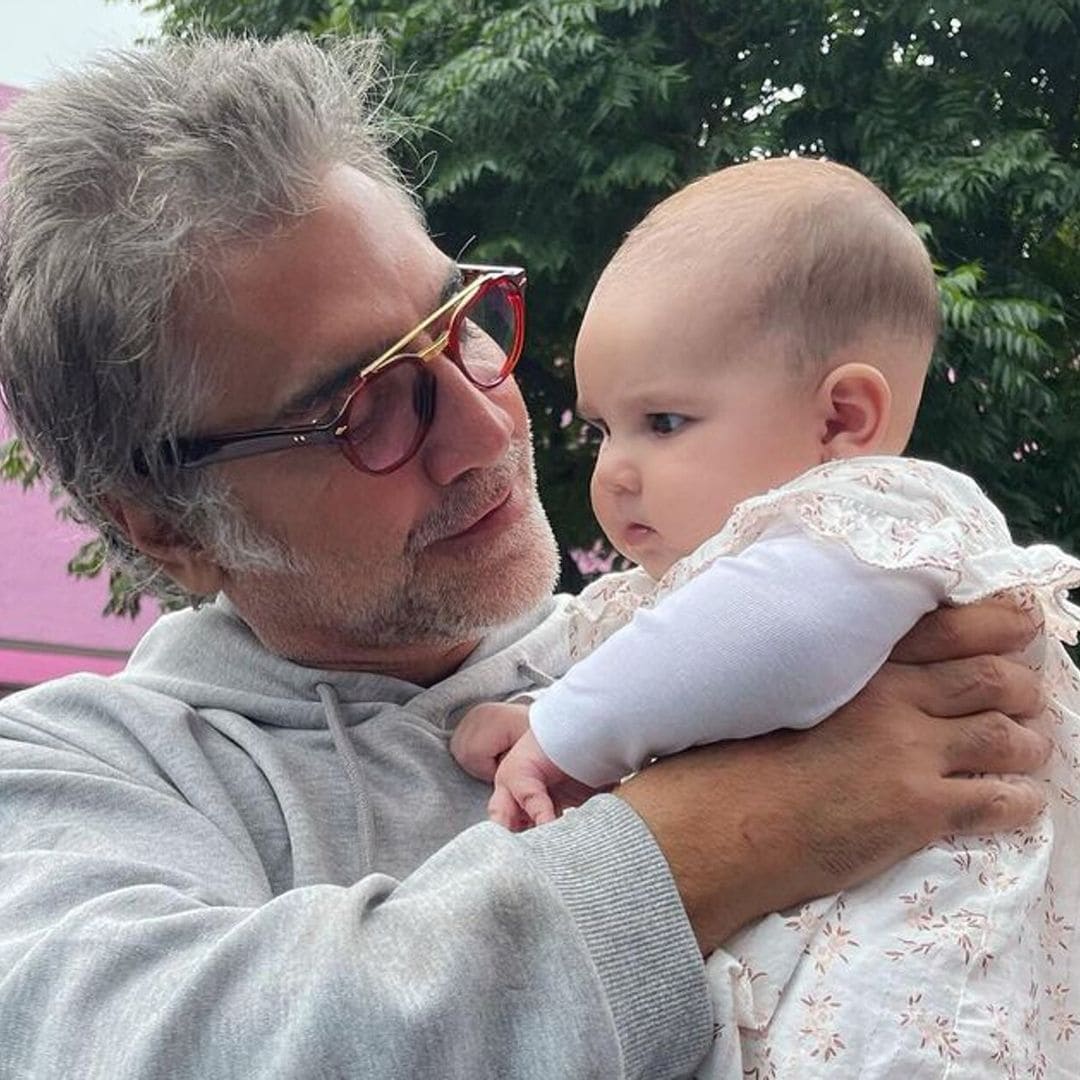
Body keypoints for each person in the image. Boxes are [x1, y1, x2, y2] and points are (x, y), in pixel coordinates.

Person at [0, 36, 1051, 1080]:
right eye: (360, 408)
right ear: (165, 525)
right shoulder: (80, 772)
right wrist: (732, 833)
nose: (487, 428)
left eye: (461, 324)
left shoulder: (697, 632)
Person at [450, 159, 1080, 1075]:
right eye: (602, 430)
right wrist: (551, 715)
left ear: (841, 419)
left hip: (922, 1007)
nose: (613, 472)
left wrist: (565, 729)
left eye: (663, 422)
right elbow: (689, 680)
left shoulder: (877, 516)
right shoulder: (720, 580)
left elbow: (772, 643)